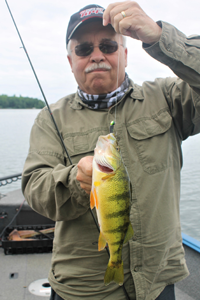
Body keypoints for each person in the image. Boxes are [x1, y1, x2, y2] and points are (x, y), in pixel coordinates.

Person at [21, 2, 200, 300]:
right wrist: (76, 180)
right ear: (70, 60)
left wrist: (159, 37)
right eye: (83, 49)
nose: (97, 56)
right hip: (85, 288)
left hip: (156, 281)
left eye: (108, 45)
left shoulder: (168, 98)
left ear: (126, 55)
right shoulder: (50, 119)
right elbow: (35, 188)